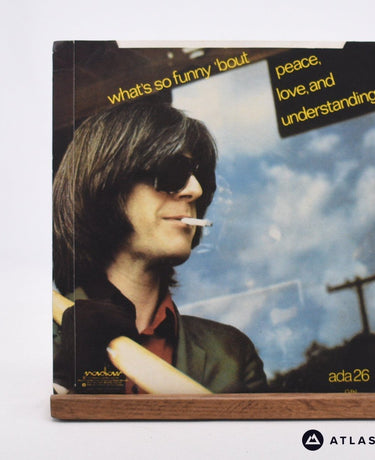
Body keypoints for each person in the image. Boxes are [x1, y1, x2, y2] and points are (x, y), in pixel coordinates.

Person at [53, 96, 267, 394]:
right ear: (106, 183)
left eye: (199, 176)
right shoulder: (27, 335)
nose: (195, 189)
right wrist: (64, 388)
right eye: (172, 171)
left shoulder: (232, 355)